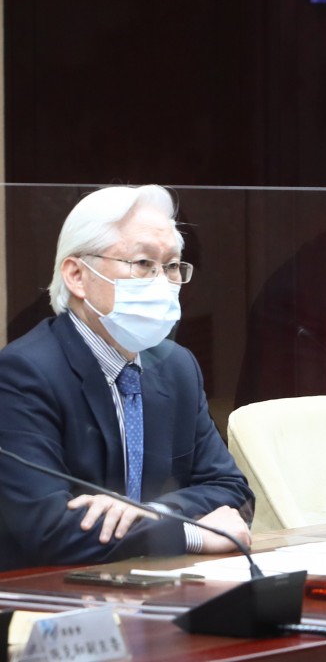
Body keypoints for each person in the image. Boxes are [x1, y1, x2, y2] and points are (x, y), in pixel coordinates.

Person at [0, 185, 255, 570]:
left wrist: (149, 512)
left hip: (158, 586)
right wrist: (186, 532)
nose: (163, 281)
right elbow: (48, 530)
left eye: (171, 266)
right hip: (51, 602)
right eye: (143, 264)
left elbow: (232, 491)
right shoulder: (24, 373)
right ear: (77, 275)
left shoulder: (177, 367)